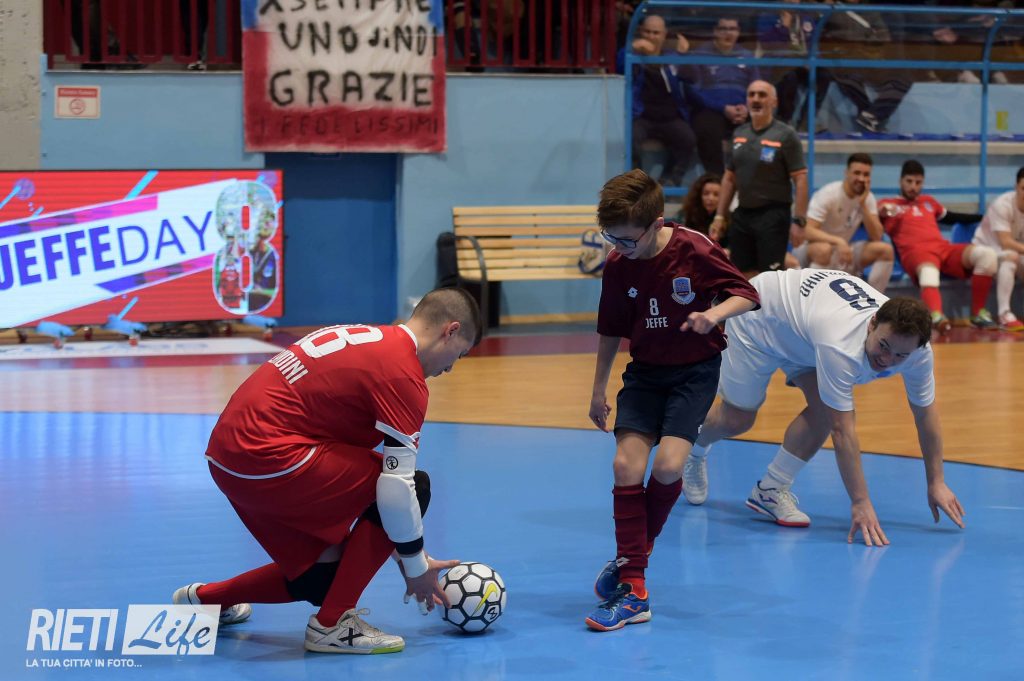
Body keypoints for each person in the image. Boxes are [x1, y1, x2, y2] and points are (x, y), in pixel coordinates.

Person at [172, 288, 482, 654]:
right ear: (450, 330)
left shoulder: (369, 338)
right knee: (415, 485)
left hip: (229, 458)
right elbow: (398, 491)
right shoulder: (403, 374)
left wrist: (408, 552)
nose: (450, 368)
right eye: (460, 353)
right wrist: (415, 567)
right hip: (270, 456)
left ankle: (204, 600)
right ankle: (332, 625)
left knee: (322, 581)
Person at [585, 169, 760, 631]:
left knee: (666, 467)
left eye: (626, 238)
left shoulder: (694, 248)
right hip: (645, 374)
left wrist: (714, 314)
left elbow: (746, 294)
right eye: (610, 237)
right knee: (625, 465)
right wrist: (598, 389)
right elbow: (610, 329)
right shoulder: (618, 264)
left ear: (656, 224)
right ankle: (635, 588)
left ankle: (633, 555)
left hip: (694, 375)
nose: (618, 246)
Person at [683, 269, 966, 546]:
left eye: (900, 355)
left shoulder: (918, 354)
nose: (888, 359)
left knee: (824, 410)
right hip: (761, 318)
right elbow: (843, 431)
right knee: (737, 419)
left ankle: (770, 490)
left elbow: (925, 414)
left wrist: (936, 481)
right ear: (872, 324)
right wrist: (860, 502)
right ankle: (692, 448)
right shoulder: (841, 344)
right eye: (883, 346)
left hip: (805, 332)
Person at [879, 160, 998, 332]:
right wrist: (879, 215)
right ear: (900, 181)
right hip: (915, 254)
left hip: (942, 249)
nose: (913, 187)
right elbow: (869, 223)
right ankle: (935, 316)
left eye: (918, 182)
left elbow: (952, 217)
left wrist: (984, 217)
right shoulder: (888, 205)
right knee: (928, 271)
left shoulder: (928, 202)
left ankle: (977, 314)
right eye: (909, 181)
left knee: (987, 255)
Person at [713, 80, 808, 278]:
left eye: (762, 95)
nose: (756, 99)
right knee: (741, 274)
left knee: (770, 277)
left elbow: (800, 179)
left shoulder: (786, 135)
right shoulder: (739, 133)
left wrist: (799, 220)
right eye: (752, 94)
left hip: (773, 216)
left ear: (774, 102)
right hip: (743, 214)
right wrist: (720, 216)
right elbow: (729, 178)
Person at [796, 153, 895, 292]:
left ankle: (875, 300)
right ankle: (811, 296)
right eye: (857, 173)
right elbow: (807, 231)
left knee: (885, 250)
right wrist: (838, 241)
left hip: (843, 251)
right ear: (846, 173)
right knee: (824, 249)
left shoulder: (868, 198)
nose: (861, 178)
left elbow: (877, 237)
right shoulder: (829, 194)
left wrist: (863, 205)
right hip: (811, 251)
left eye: (866, 174)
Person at [677, 16, 761, 175]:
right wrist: (722, 108)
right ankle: (717, 180)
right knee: (705, 129)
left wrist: (747, 107)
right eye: (723, 29)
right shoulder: (700, 54)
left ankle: (746, 179)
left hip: (742, 110)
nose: (728, 33)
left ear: (738, 32)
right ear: (715, 31)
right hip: (711, 109)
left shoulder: (747, 56)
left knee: (760, 127)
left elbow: (756, 87)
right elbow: (694, 91)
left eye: (733, 29)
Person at [621, 15, 696, 186]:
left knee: (688, 139)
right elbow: (619, 67)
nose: (651, 36)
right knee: (631, 139)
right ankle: (638, 184)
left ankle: (670, 180)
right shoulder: (633, 55)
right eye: (647, 32)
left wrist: (683, 56)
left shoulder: (671, 57)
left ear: (664, 35)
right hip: (642, 116)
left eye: (656, 33)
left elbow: (692, 77)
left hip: (670, 117)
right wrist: (630, 49)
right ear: (640, 32)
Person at [971, 166, 1024, 331]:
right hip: (986, 250)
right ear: (1016, 187)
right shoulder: (1002, 205)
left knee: (1013, 256)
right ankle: (1004, 314)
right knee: (1011, 257)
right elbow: (1005, 242)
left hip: (1016, 252)